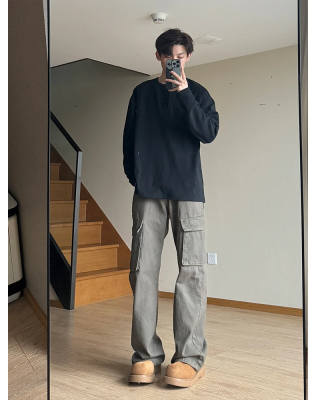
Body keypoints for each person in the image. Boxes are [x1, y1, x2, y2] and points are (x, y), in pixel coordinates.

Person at [123, 28, 219, 388]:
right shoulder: (141, 93)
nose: (172, 61)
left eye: (179, 56)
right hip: (148, 192)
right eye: (167, 56)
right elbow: (128, 138)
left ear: (187, 57)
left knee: (191, 273)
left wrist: (184, 94)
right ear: (158, 57)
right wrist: (137, 177)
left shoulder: (198, 93)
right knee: (142, 272)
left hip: (188, 193)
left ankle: (190, 358)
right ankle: (145, 356)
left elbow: (208, 132)